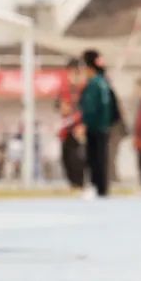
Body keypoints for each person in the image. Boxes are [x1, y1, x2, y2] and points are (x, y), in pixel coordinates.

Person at [78, 49, 114, 198]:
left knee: (95, 159)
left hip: (95, 128)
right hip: (101, 127)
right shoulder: (103, 82)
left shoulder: (95, 84)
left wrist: (85, 124)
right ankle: (100, 188)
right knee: (99, 158)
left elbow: (91, 108)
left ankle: (98, 188)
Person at [57, 98, 85, 189]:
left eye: (65, 106)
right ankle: (73, 183)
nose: (63, 109)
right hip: (65, 142)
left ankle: (79, 183)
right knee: (66, 162)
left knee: (75, 162)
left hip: (74, 142)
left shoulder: (75, 117)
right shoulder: (63, 118)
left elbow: (80, 127)